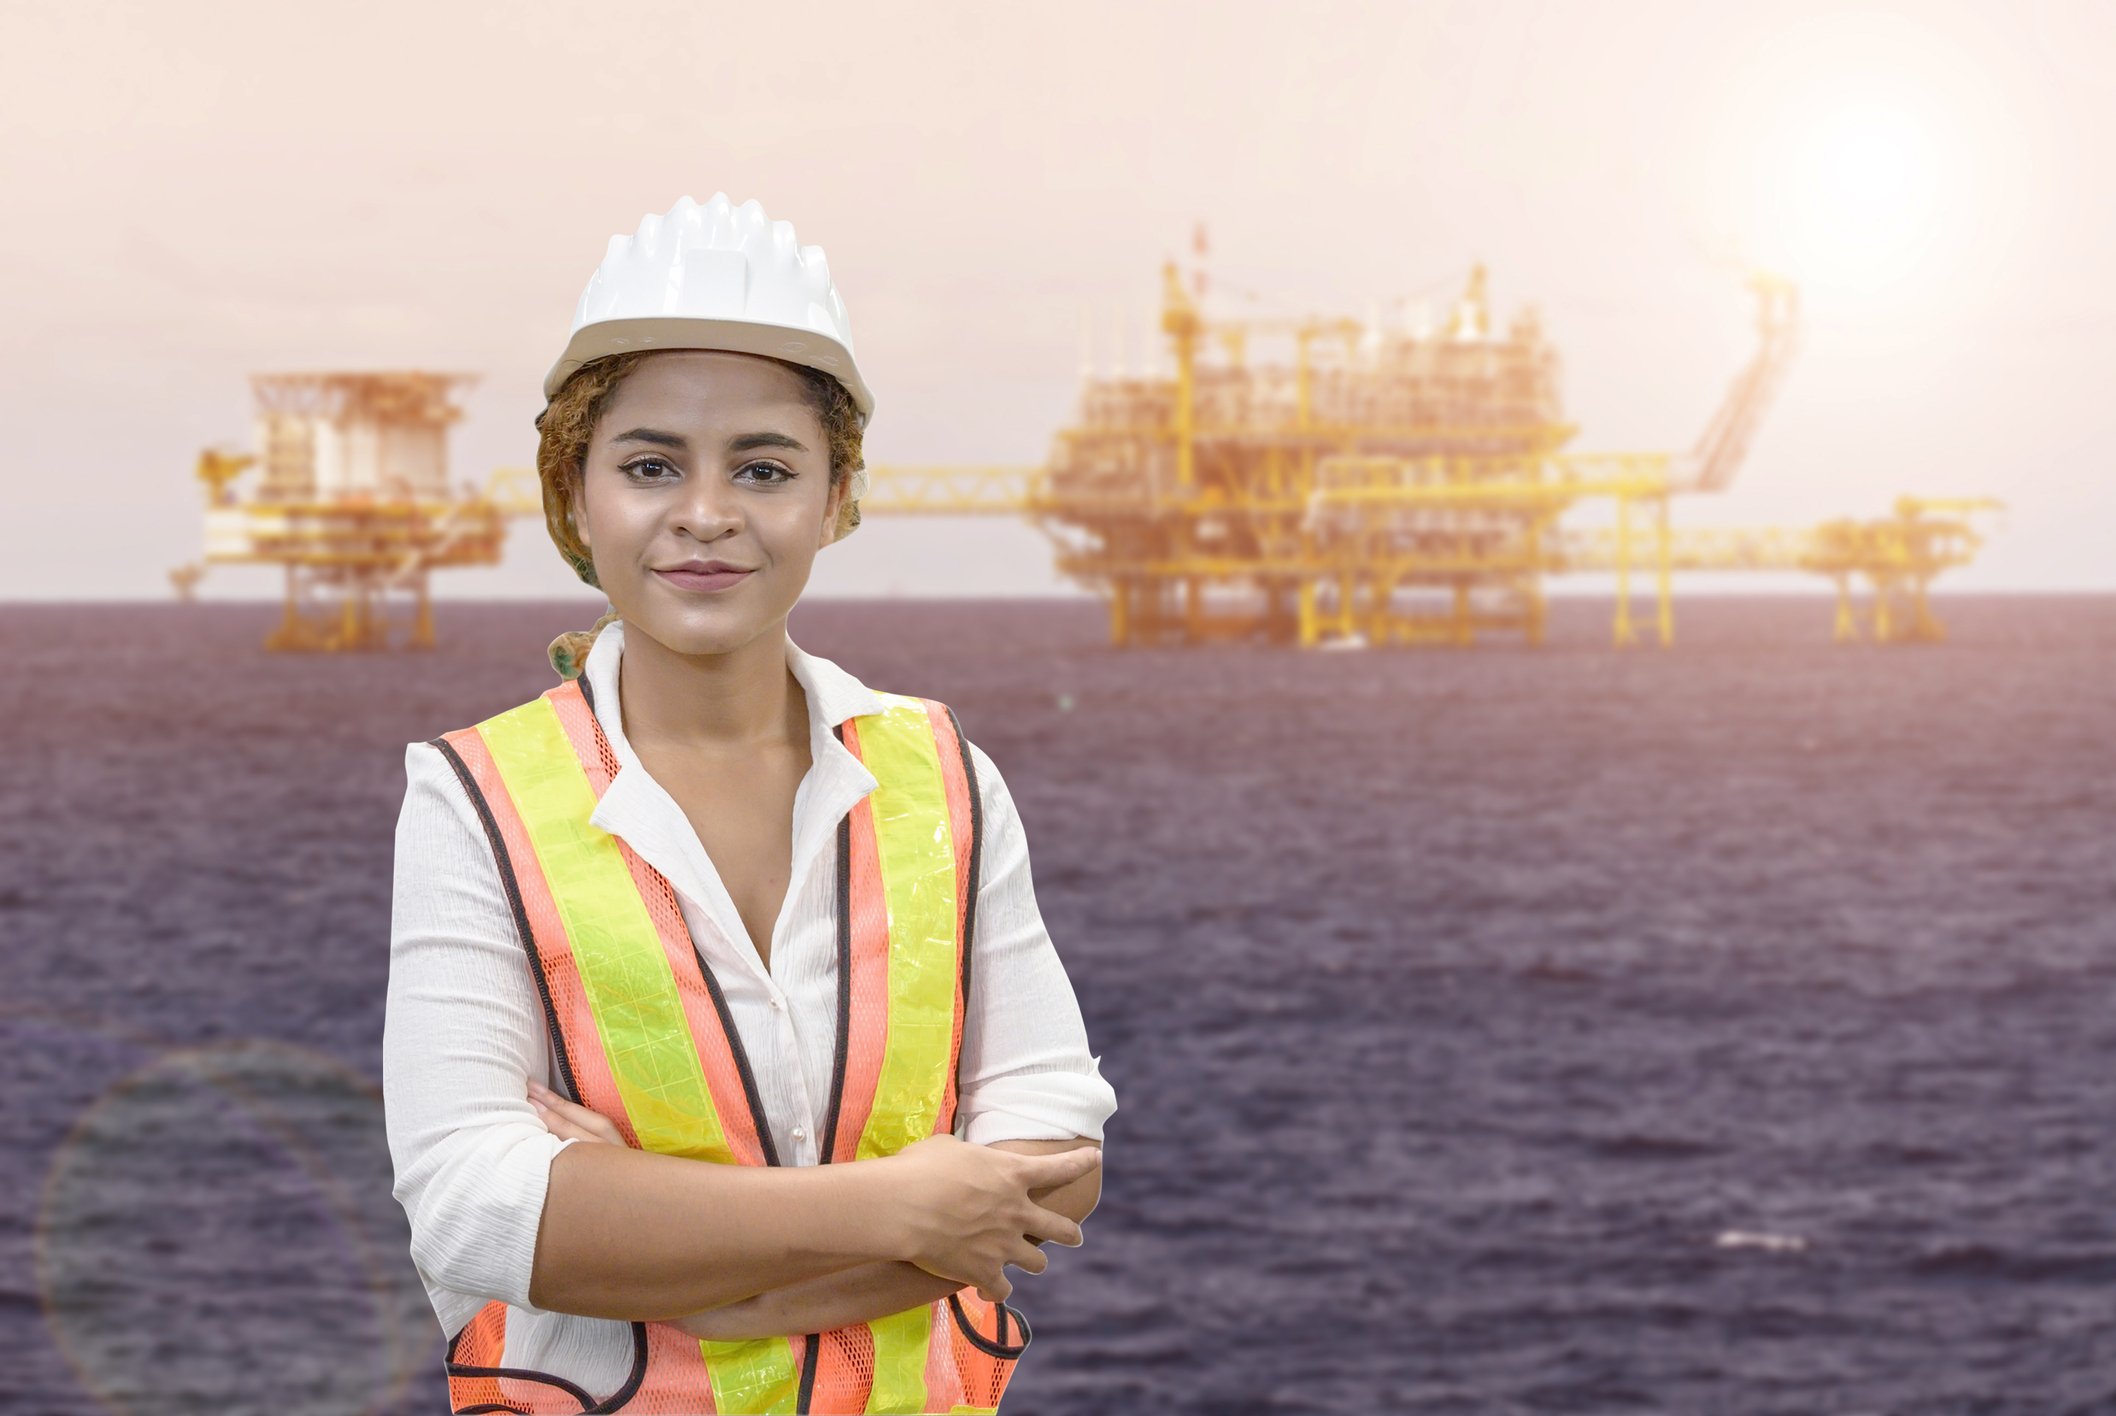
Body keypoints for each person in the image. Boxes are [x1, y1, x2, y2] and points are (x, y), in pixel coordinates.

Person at [383, 193, 1116, 1414]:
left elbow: (1056, 1149)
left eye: (764, 468)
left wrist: (689, 1261)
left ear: (837, 499)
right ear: (575, 495)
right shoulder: (474, 796)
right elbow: (474, 1211)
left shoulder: (942, 774)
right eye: (650, 465)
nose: (706, 513)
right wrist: (897, 1208)